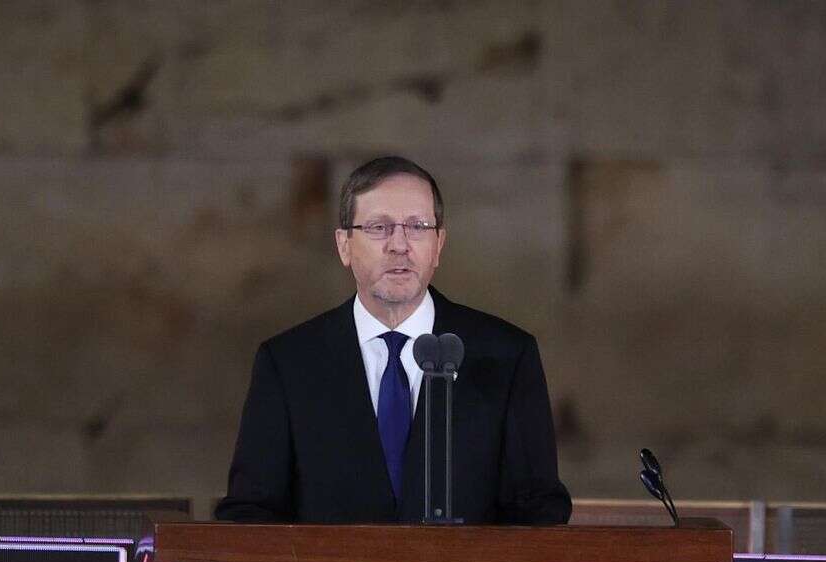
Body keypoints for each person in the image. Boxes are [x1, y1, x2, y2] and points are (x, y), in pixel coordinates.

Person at [215, 156, 571, 524]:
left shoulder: (506, 356)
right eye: (379, 227)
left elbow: (539, 512)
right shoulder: (289, 362)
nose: (399, 245)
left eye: (417, 227)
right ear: (344, 245)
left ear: (438, 244)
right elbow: (249, 515)